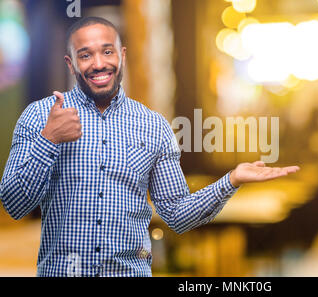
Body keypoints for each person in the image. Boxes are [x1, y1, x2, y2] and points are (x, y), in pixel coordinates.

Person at [0, 17, 299, 277]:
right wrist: (49, 140)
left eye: (107, 51)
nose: (99, 64)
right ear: (70, 62)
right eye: (85, 55)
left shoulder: (153, 126)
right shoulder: (40, 116)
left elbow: (177, 214)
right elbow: (14, 205)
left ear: (122, 55)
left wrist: (231, 180)